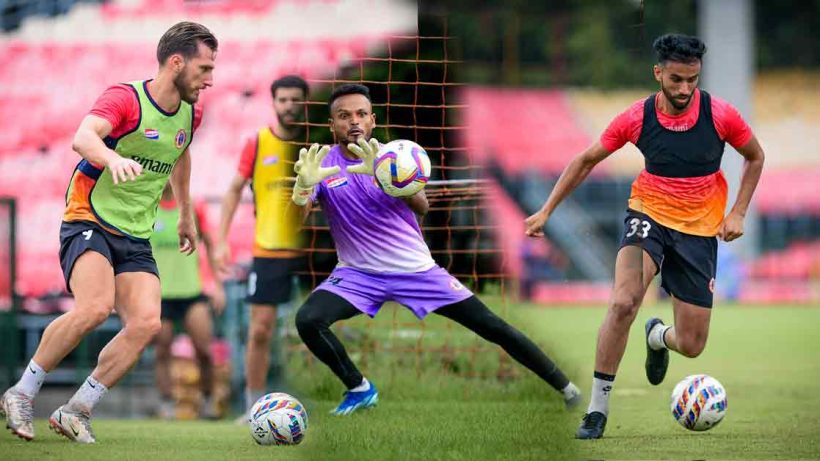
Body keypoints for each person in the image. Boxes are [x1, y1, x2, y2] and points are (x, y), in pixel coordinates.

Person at [524, 34, 765, 439]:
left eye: (692, 80)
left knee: (690, 344)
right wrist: (547, 210)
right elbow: (585, 161)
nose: (685, 89)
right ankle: (597, 410)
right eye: (676, 79)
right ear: (658, 74)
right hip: (647, 217)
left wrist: (738, 211)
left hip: (699, 230)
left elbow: (755, 156)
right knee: (623, 301)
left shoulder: (722, 115)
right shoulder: (636, 117)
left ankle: (657, 337)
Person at [292, 83, 582, 416]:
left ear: (372, 120)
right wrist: (302, 190)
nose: (353, 122)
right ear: (332, 125)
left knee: (493, 327)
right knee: (308, 320)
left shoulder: (392, 156)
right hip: (358, 275)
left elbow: (422, 205)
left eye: (360, 114)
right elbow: (294, 222)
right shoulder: (320, 165)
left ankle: (566, 387)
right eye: (343, 116)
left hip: (417, 272)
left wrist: (385, 177)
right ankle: (359, 388)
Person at [0, 22, 217, 443]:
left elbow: (180, 151)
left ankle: (77, 408)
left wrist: (186, 213)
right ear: (176, 62)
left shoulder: (193, 111)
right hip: (88, 217)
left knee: (147, 323)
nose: (210, 79)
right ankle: (21, 393)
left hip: (136, 232)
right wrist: (110, 159)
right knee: (95, 308)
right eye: (204, 68)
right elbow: (83, 138)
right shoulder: (126, 98)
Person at [215, 75, 308, 417]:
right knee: (259, 331)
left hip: (315, 254)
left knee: (325, 326)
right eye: (283, 100)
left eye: (296, 99)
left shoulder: (318, 143)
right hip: (269, 252)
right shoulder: (258, 143)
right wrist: (221, 241)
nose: (289, 106)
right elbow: (233, 190)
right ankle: (254, 407)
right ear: (274, 103)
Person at [151, 184, 226, 420]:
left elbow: (211, 244)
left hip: (192, 292)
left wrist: (217, 285)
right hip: (159, 295)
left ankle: (207, 400)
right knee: (162, 350)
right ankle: (166, 405)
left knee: (204, 350)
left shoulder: (194, 206)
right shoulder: (147, 206)